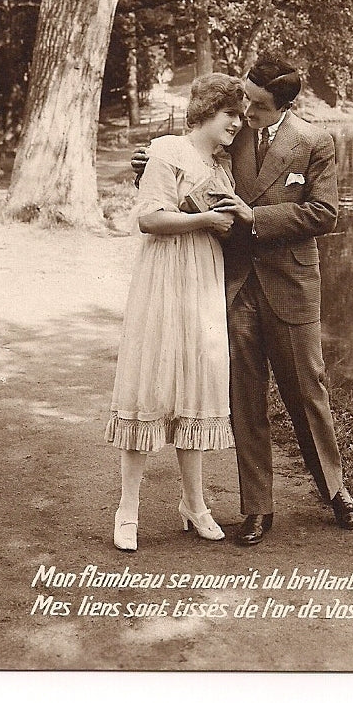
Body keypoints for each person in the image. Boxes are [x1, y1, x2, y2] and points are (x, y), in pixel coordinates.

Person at [133, 54, 353, 545]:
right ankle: (257, 508)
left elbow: (324, 213)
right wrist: (148, 165)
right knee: (245, 399)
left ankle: (334, 490)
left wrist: (255, 217)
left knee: (307, 390)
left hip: (292, 284)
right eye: (244, 101)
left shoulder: (314, 142)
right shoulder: (232, 137)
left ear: (284, 105)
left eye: (258, 106)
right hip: (235, 284)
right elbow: (188, 168)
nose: (246, 113)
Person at [105, 74, 244, 550]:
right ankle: (127, 509)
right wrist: (205, 219)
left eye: (241, 116)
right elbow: (148, 217)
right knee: (151, 383)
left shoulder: (221, 166)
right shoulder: (168, 150)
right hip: (166, 274)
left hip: (203, 276)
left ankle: (194, 503)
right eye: (230, 114)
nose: (236, 123)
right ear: (206, 112)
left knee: (196, 384)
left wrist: (226, 223)